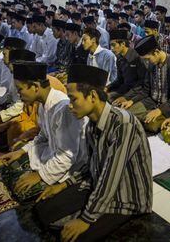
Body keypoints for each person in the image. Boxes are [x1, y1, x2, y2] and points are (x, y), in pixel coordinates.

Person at [34, 64, 152, 242]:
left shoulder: (123, 124)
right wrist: (65, 185)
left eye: (73, 99)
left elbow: (111, 176)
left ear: (93, 96)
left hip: (126, 198)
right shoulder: (91, 124)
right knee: (43, 211)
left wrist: (86, 219)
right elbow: (93, 164)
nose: (70, 106)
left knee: (75, 237)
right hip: (99, 185)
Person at [1, 61, 87, 202]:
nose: (18, 93)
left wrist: (40, 175)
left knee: (22, 192)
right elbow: (43, 135)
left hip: (70, 165)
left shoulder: (63, 109)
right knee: (8, 170)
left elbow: (67, 156)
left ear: (35, 87)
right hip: (50, 153)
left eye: (20, 89)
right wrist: (22, 151)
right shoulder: (43, 104)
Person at [120, 36, 170, 133]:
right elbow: (146, 90)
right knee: (126, 113)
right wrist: (131, 101)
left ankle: (149, 117)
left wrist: (160, 110)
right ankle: (145, 116)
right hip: (151, 101)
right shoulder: (151, 65)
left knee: (152, 125)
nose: (146, 62)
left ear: (156, 52)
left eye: (147, 59)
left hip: (168, 105)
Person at [107, 29, 146, 102]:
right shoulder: (119, 58)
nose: (111, 49)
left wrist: (125, 97)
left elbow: (141, 84)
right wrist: (108, 88)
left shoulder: (137, 58)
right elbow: (119, 80)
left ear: (123, 44)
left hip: (137, 93)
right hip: (124, 90)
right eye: (110, 46)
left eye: (113, 45)